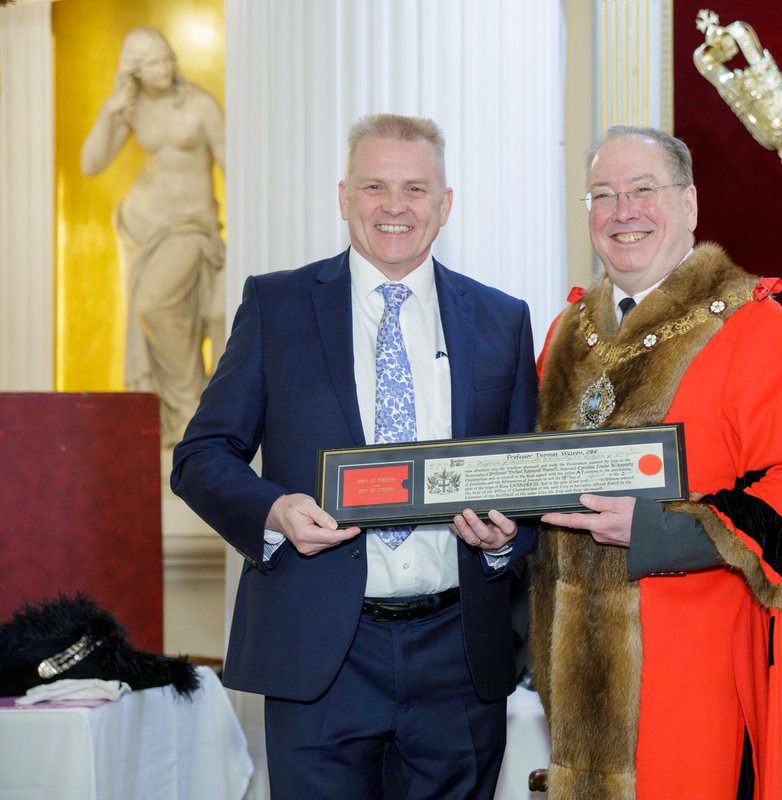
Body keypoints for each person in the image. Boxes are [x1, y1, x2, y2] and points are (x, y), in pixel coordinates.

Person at [171, 113, 538, 799]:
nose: (394, 207)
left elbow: (525, 487)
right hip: (321, 656)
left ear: (445, 204)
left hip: (459, 654)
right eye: (374, 186)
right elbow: (200, 456)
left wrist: (503, 541)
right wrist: (273, 510)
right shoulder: (276, 305)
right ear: (343, 197)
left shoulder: (501, 319)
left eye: (415, 189)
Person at [528, 126, 782, 799]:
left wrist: (657, 531)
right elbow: (536, 475)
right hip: (574, 678)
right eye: (603, 194)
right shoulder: (564, 335)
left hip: (696, 669)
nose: (623, 210)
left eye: (644, 190)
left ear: (691, 205)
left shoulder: (751, 328)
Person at [81, 26, 226, 449]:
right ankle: (185, 418)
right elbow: (92, 163)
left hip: (191, 227)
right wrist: (110, 111)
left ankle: (191, 411)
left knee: (155, 305)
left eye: (167, 58)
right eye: (153, 63)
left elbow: (232, 164)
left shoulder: (199, 106)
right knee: (156, 319)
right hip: (144, 228)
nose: (165, 68)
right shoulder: (132, 109)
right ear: (134, 71)